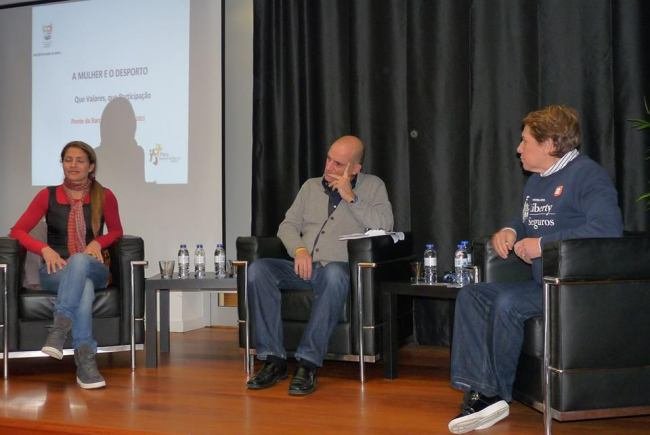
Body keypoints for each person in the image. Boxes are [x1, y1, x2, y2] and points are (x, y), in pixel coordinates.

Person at [447, 105, 623, 433]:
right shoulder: (537, 181)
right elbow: (526, 219)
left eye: (525, 141)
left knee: (507, 303)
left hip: (571, 288)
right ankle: (478, 388)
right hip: (540, 283)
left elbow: (607, 228)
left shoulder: (588, 175)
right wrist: (510, 230)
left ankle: (493, 395)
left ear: (550, 144)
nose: (518, 149)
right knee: (472, 295)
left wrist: (542, 244)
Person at [246, 135, 394, 395]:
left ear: (355, 168)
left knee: (335, 274)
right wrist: (299, 250)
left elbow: (385, 225)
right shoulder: (310, 187)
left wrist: (352, 198)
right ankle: (273, 360)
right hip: (302, 267)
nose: (328, 167)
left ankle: (308, 363)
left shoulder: (373, 186)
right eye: (328, 159)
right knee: (259, 270)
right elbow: (287, 226)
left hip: (336, 270)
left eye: (338, 164)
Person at [10, 141, 123, 389]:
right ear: (62, 163)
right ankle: (85, 361)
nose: (73, 165)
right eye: (68, 159)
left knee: (80, 259)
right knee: (84, 288)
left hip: (94, 267)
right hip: (55, 271)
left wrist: (98, 243)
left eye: (79, 160)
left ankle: (59, 329)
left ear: (90, 166)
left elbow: (116, 231)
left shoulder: (104, 195)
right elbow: (17, 231)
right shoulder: (47, 195)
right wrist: (44, 249)